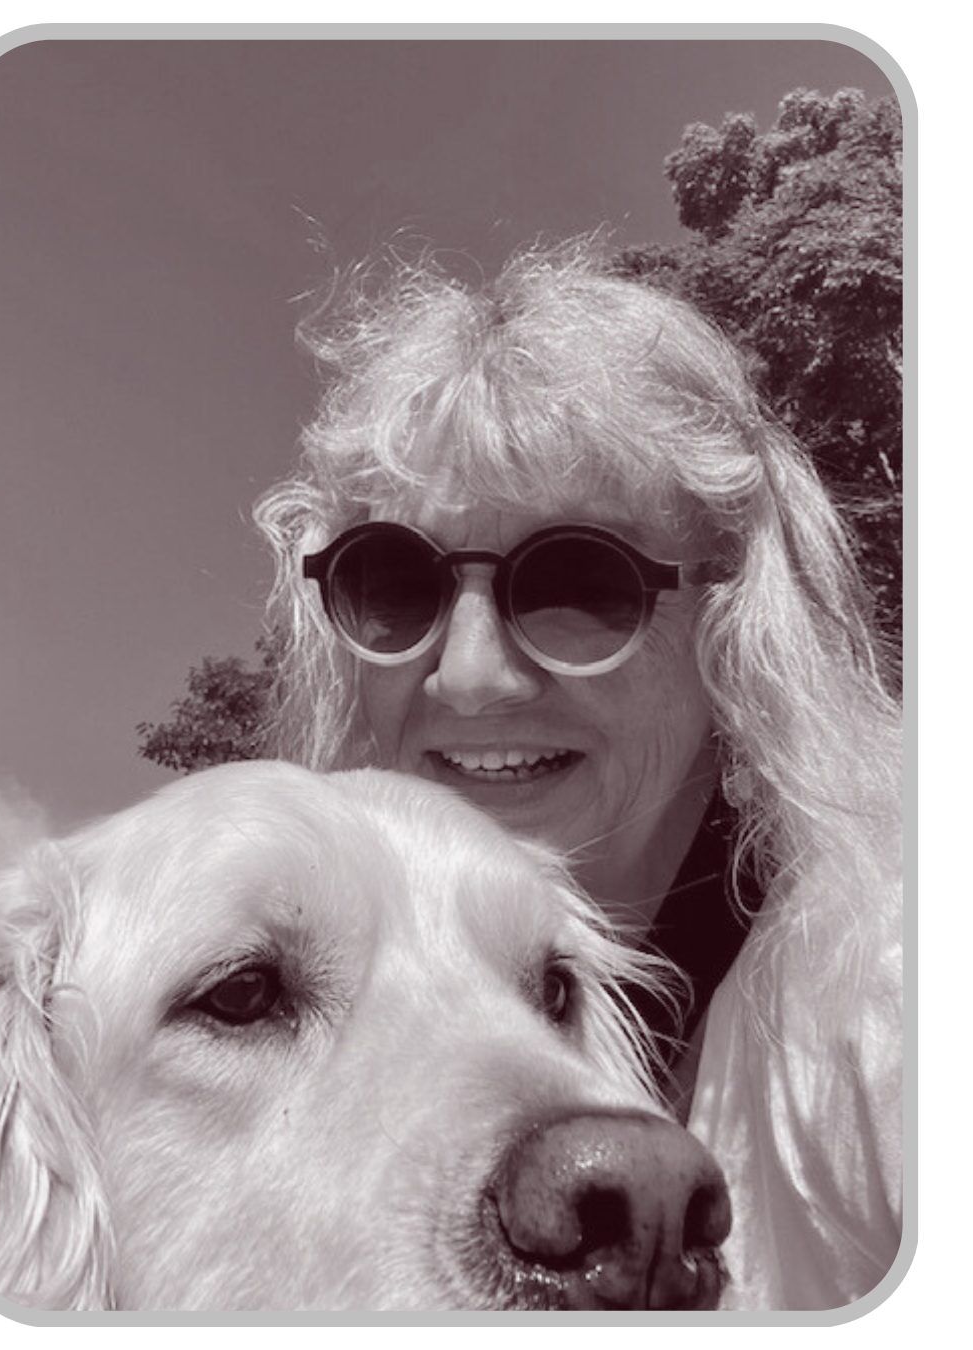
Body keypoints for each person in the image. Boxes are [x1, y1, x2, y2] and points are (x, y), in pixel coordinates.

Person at [252, 236, 903, 1311]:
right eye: (395, 586)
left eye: (578, 585)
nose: (467, 678)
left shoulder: (888, 987)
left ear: (734, 630)